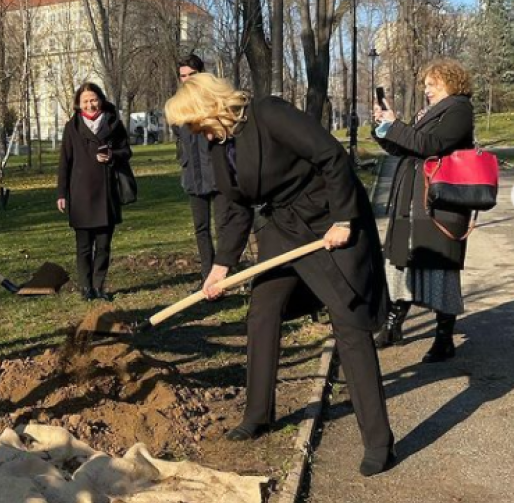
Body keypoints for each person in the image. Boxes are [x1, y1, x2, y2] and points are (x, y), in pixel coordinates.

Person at [165, 73, 394, 476]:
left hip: (329, 220)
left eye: (192, 122)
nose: (192, 132)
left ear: (209, 108)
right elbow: (235, 208)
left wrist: (343, 219)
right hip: (283, 228)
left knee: (349, 321)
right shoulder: (219, 145)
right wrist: (220, 267)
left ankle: (378, 441)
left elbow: (331, 156)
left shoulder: (268, 113)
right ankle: (258, 414)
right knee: (263, 310)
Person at [372, 59, 475, 362]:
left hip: (440, 203)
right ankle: (393, 325)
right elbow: (403, 147)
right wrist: (384, 126)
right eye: (426, 85)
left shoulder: (459, 109)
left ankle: (444, 338)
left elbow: (432, 145)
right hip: (411, 199)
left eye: (433, 84)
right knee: (400, 262)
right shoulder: (429, 112)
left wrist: (397, 126)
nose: (427, 90)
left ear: (450, 82)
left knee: (440, 267)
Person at [56, 81, 131, 301]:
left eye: (93, 100)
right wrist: (61, 193)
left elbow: (127, 152)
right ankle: (86, 288)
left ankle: (99, 286)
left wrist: (112, 155)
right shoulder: (72, 127)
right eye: (85, 101)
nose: (90, 105)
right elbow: (64, 162)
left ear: (101, 100)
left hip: (107, 193)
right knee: (84, 247)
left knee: (104, 245)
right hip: (80, 194)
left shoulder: (113, 123)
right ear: (78, 104)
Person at [175, 54, 218, 280]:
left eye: (192, 74)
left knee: (225, 226)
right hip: (193, 175)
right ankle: (207, 275)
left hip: (217, 173)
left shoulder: (214, 100)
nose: (188, 79)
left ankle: (225, 271)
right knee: (201, 228)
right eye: (184, 76)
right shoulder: (177, 107)